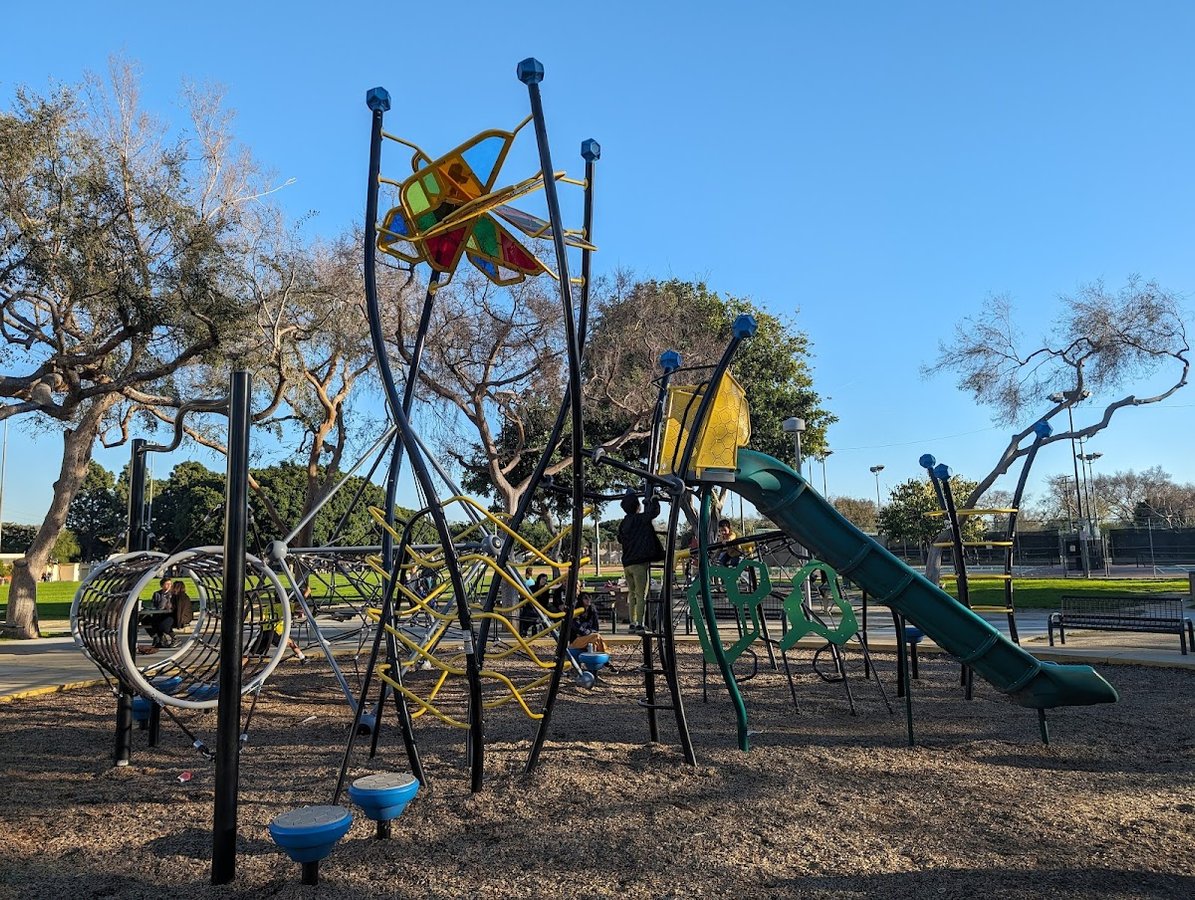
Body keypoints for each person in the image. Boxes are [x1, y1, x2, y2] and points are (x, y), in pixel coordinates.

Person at [617, 492, 663, 633]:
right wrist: (655, 499)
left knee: (631, 593)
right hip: (639, 563)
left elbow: (620, 539)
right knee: (641, 594)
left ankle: (632, 622)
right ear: (637, 506)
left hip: (627, 563)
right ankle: (640, 624)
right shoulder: (640, 519)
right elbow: (654, 512)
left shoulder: (623, 523)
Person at [142, 577, 175, 648]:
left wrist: (168, 597)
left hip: (168, 615)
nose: (169, 586)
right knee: (145, 620)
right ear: (162, 585)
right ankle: (156, 636)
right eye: (167, 584)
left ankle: (159, 638)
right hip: (157, 613)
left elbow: (170, 606)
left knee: (157, 622)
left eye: (170, 584)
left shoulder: (172, 594)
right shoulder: (157, 594)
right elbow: (155, 605)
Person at [521, 573, 551, 637]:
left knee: (544, 616)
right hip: (531, 607)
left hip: (541, 608)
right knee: (526, 614)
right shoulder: (532, 588)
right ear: (539, 579)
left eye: (545, 580)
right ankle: (524, 631)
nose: (544, 581)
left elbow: (545, 602)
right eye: (542, 579)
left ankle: (546, 632)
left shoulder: (546, 590)